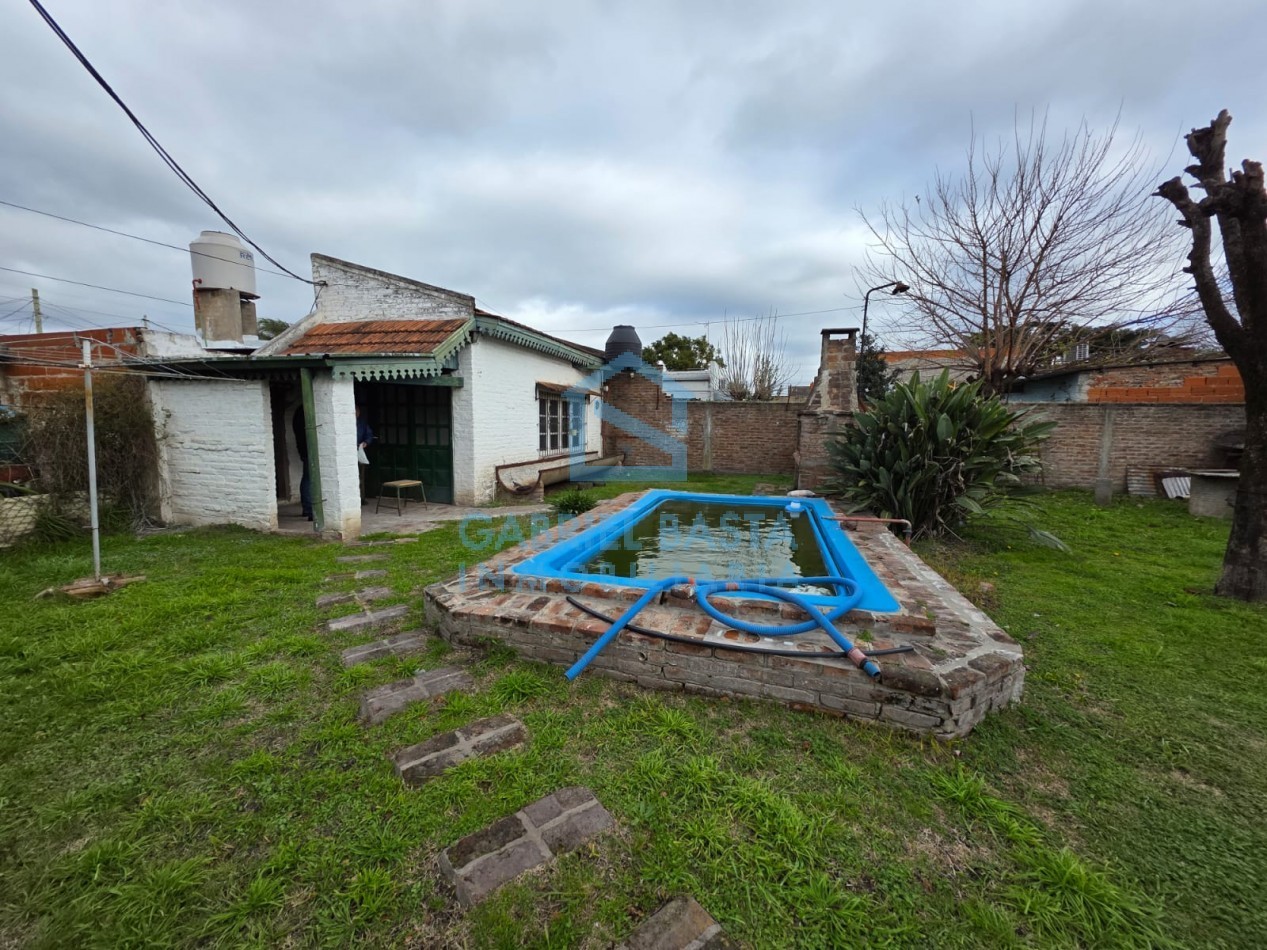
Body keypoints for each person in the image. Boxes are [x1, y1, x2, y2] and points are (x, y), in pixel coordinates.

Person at [292, 405, 313, 520]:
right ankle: (310, 510)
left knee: (307, 478)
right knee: (309, 479)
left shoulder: (298, 412)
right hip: (309, 449)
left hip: (304, 449)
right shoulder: (305, 412)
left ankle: (307, 508)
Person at [355, 405, 374, 502]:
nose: (355, 414)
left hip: (359, 450)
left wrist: (366, 442)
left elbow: (369, 435)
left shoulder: (362, 423)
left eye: (356, 411)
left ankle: (362, 498)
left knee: (361, 476)